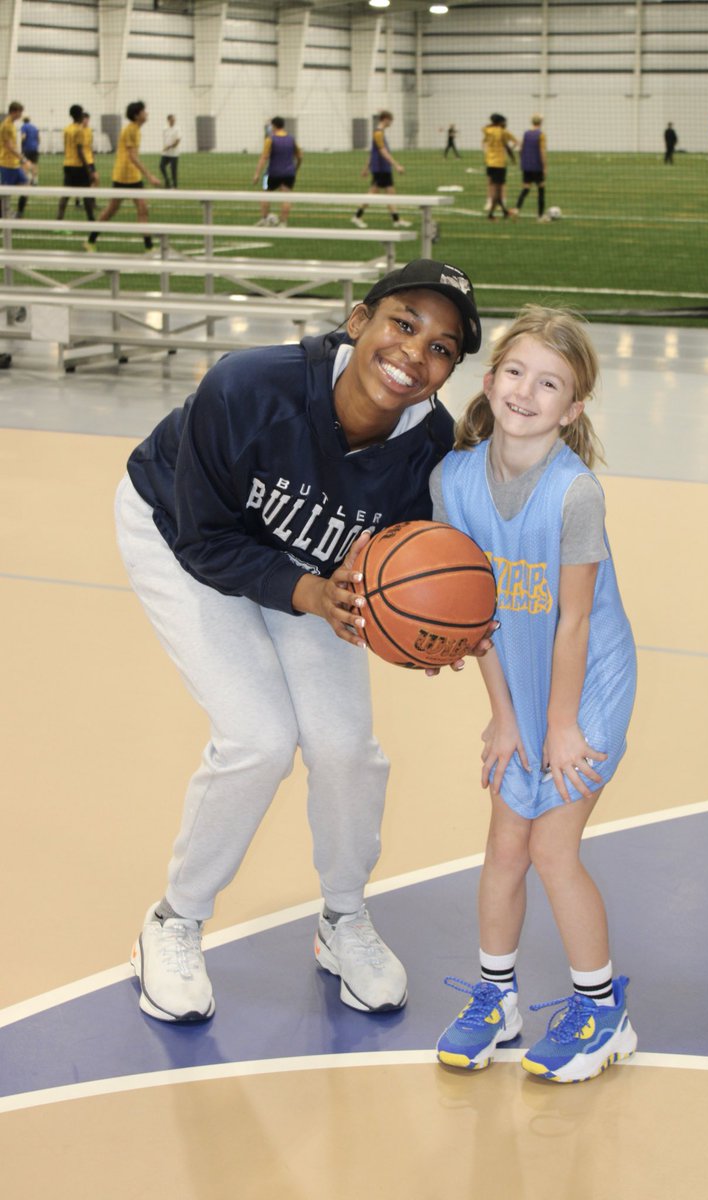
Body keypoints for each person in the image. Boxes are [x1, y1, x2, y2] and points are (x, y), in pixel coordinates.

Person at [115, 258, 485, 1024]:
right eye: (403, 324)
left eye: (443, 347)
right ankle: (172, 920)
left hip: (313, 566)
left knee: (347, 746)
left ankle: (342, 919)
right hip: (179, 531)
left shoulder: (430, 449)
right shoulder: (247, 386)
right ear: (359, 321)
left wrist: (419, 629)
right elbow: (205, 540)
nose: (416, 354)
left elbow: (405, 564)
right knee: (257, 738)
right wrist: (306, 593)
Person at [432, 304, 638, 1082]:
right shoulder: (452, 481)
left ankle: (601, 1010)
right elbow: (472, 610)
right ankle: (497, 999)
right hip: (519, 676)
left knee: (552, 847)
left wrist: (558, 724)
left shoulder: (573, 493)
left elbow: (576, 621)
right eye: (515, 372)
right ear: (487, 384)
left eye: (549, 382)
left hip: (587, 686)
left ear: (572, 407)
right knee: (503, 848)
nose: (527, 390)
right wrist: (503, 716)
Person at [84, 100, 161, 254]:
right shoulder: (131, 130)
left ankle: (149, 247)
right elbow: (133, 157)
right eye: (144, 111)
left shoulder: (136, 130)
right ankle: (90, 240)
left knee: (143, 209)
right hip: (123, 177)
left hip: (133, 177)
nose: (147, 114)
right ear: (137, 115)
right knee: (111, 210)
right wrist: (150, 176)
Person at [352, 111, 411, 230]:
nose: (391, 123)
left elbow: (372, 153)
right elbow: (383, 151)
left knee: (390, 194)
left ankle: (396, 220)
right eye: (390, 120)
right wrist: (396, 165)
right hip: (380, 169)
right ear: (385, 119)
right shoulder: (378, 133)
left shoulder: (380, 133)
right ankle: (357, 217)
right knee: (373, 194)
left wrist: (365, 168)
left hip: (383, 168)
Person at [252, 116, 302, 226]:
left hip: (272, 174)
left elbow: (264, 157)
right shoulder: (291, 139)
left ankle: (265, 219)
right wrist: (296, 168)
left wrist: (256, 174)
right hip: (289, 174)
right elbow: (300, 156)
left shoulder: (270, 139)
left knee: (265, 194)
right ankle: (283, 222)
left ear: (274, 125)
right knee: (286, 197)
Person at [56, 104, 98, 222]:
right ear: (80, 115)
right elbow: (80, 151)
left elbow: (66, 147)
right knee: (86, 194)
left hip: (67, 164)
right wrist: (89, 170)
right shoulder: (79, 130)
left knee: (66, 194)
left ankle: (59, 220)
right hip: (78, 166)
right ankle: (91, 220)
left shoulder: (66, 129)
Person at [510, 114, 548, 220]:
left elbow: (521, 148)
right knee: (541, 189)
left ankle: (517, 209)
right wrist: (545, 167)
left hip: (526, 166)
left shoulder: (526, 133)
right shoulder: (541, 135)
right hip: (537, 166)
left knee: (526, 188)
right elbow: (542, 152)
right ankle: (540, 216)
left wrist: (522, 161)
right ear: (540, 122)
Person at [482, 113, 518, 220]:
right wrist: (513, 159)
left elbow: (485, 129)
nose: (506, 123)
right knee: (498, 191)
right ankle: (491, 215)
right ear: (500, 122)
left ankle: (504, 211)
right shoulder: (503, 132)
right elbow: (508, 146)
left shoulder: (487, 130)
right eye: (504, 121)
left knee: (494, 187)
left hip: (489, 163)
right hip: (499, 164)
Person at [0, 102, 29, 218]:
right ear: (14, 112)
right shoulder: (6, 125)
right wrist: (23, 159)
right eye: (20, 112)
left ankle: (19, 213)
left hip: (14, 165)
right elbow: (9, 146)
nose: (21, 114)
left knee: (26, 187)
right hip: (6, 165)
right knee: (5, 194)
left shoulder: (12, 124)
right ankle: (3, 217)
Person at [159, 114, 181, 188]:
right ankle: (167, 181)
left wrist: (169, 146)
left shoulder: (177, 129)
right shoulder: (164, 129)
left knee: (173, 170)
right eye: (172, 120)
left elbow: (177, 141)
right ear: (168, 120)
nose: (173, 121)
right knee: (161, 166)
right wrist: (165, 148)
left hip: (174, 154)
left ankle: (175, 185)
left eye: (174, 120)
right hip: (166, 153)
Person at [19, 115, 39, 184]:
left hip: (26, 148)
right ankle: (35, 180)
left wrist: (20, 143)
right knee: (34, 164)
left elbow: (23, 136)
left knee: (24, 163)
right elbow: (38, 138)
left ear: (23, 120)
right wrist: (36, 145)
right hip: (34, 148)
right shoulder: (34, 127)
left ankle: (26, 179)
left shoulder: (24, 126)